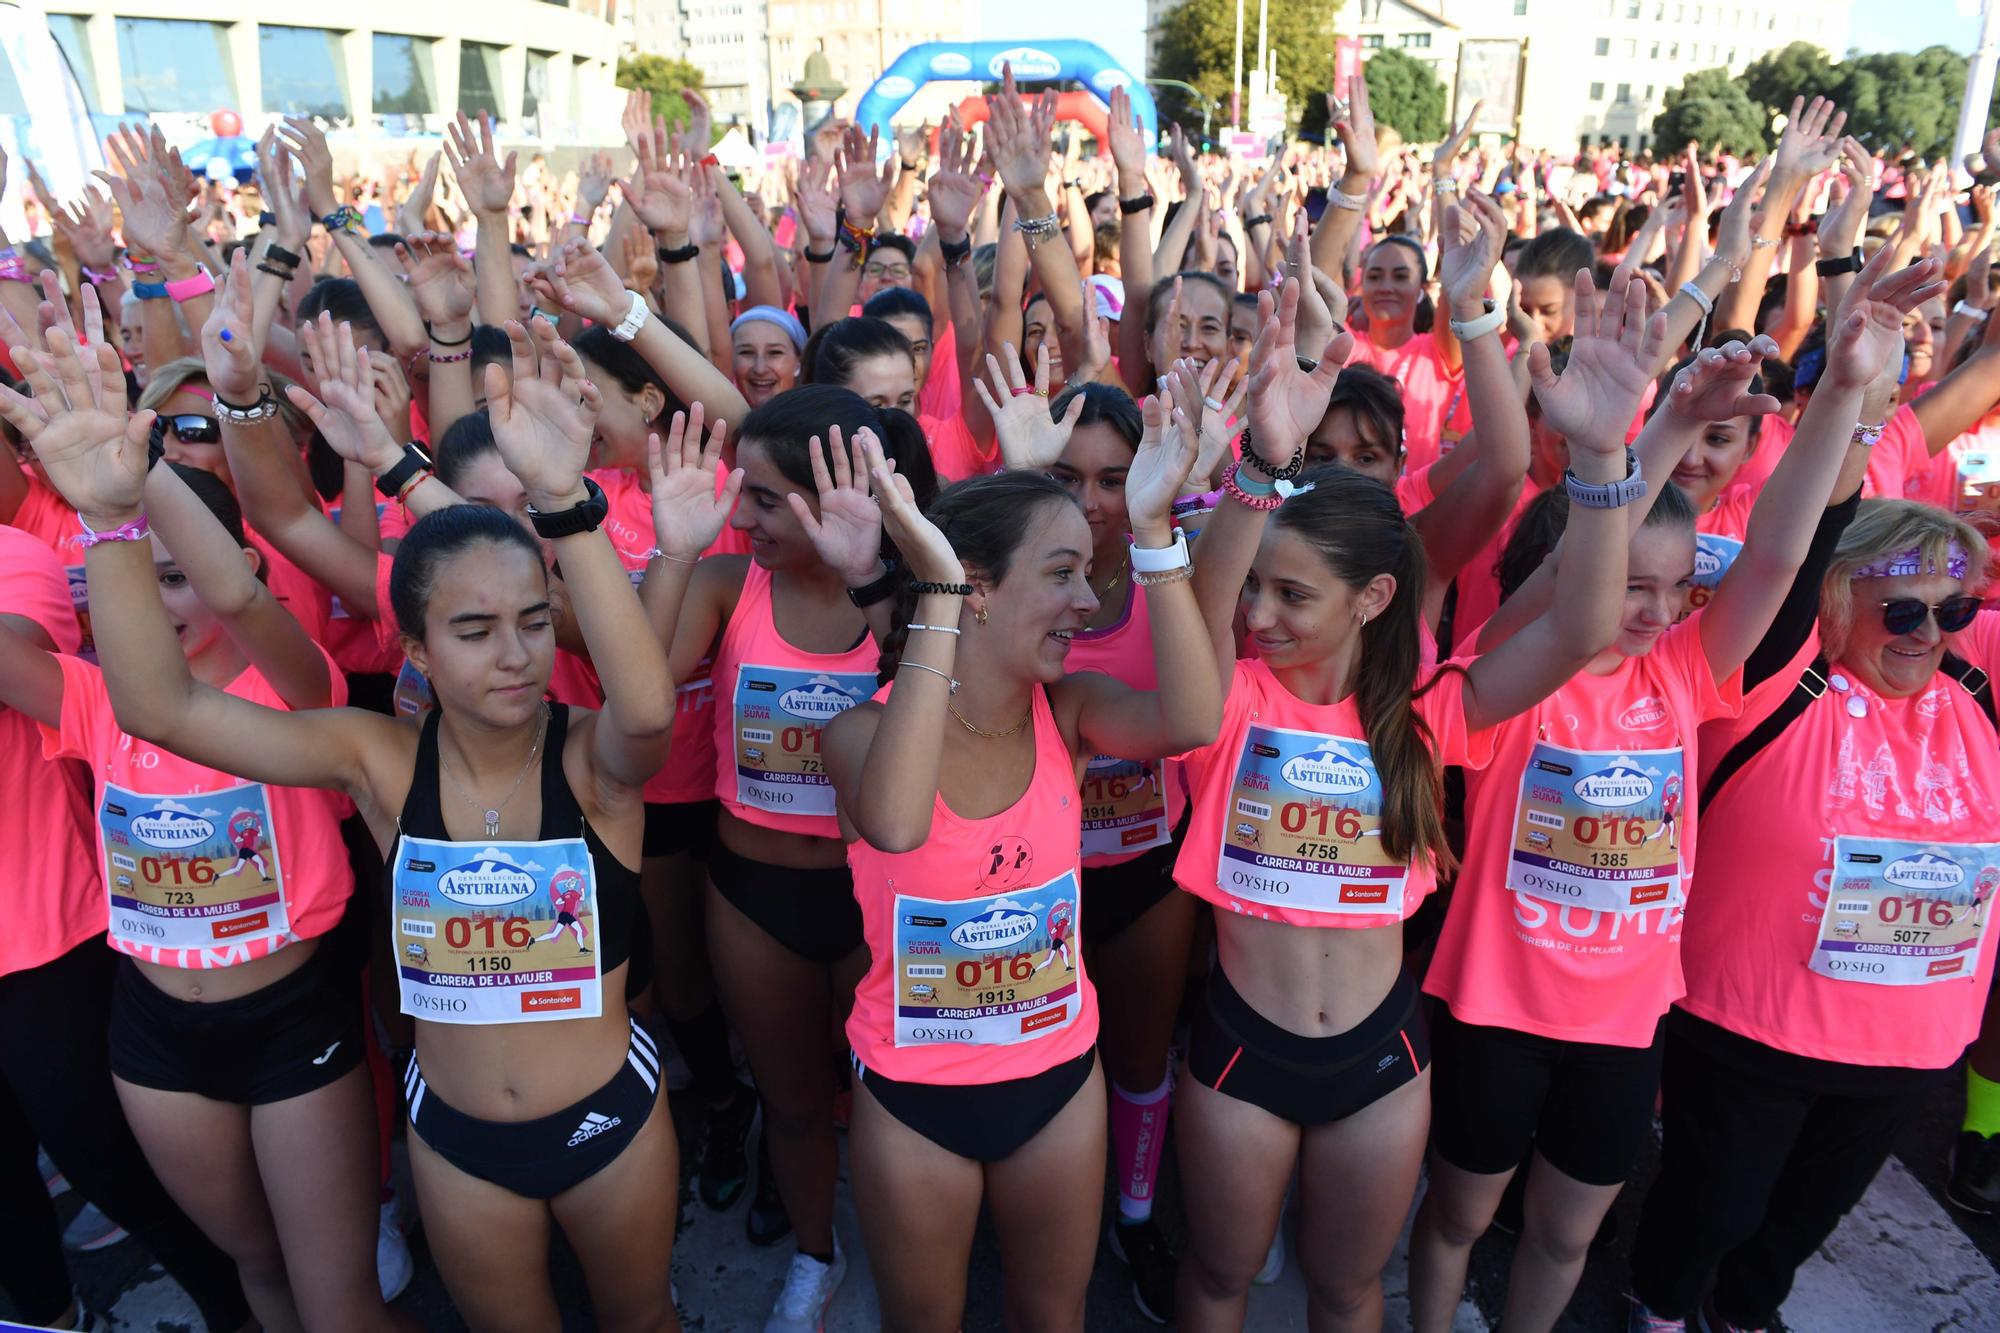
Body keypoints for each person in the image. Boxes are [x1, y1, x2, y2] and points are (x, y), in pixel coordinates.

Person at [9, 306, 695, 1332]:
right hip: (457, 1143)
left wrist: (565, 505)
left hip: (610, 1125)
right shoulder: (373, 759)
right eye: (472, 628)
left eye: (531, 622)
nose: (512, 654)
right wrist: (112, 519)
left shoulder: (590, 758)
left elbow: (646, 710)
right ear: (412, 651)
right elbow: (160, 709)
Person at [1409, 248, 1941, 1333]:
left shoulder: (1683, 674)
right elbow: (1567, 589)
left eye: (1671, 587)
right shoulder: (1505, 678)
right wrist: (1625, 443)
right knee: (1460, 1220)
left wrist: (1839, 391)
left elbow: (1783, 550)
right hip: (1492, 1011)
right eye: (1627, 585)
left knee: (1563, 1234)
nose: (1648, 611)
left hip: (1620, 1022)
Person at [1169, 277, 1647, 1332]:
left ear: (1371, 597)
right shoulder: (1226, 702)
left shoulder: (1429, 712)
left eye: (1291, 595)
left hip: (1381, 1061)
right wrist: (1257, 468)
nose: (1260, 614)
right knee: (1215, 1279)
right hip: (1243, 1051)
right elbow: (1205, 598)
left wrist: (1605, 460)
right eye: (1259, 590)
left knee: (1347, 1293)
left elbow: (1578, 628)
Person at [0, 294, 402, 1333]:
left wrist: (131, 481)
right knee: (254, 1271)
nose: (164, 601)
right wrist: (109, 521)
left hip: (292, 1021)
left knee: (335, 1295)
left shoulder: (291, 682)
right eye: (142, 582)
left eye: (179, 579)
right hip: (153, 1035)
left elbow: (234, 594)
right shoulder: (93, 695)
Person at [822, 364, 1222, 1333]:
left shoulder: (1072, 713)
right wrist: (934, 592)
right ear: (978, 591)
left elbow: (1191, 715)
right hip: (913, 1095)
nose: (1086, 602)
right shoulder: (856, 733)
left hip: (1055, 1084)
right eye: (1061, 573)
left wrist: (1158, 532)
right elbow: (898, 823)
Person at [1623, 508, 2000, 1333]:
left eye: (1953, 610)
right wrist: (1854, 410)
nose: (1928, 632)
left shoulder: (1978, 683)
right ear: (1834, 599)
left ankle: (1745, 1309)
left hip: (1911, 1037)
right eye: (1901, 610)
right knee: (1714, 1202)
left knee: (1804, 1219)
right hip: (1750, 1026)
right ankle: (1659, 1299)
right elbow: (1795, 546)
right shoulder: (1776, 679)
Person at [658, 383, 932, 1331]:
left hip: (881, 905)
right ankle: (817, 1253)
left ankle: (912, 1261)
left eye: (766, 498)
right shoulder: (728, 585)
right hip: (754, 896)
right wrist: (677, 549)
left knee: (894, 1110)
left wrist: (877, 583)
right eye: (744, 493)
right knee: (796, 1100)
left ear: (834, 491)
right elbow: (643, 698)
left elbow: (940, 701)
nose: (745, 515)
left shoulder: (907, 598)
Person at [0, 524, 255, 1333]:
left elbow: (20, 665)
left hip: (43, 930)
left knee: (115, 1165)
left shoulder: (12, 554)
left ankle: (242, 1308)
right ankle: (48, 1314)